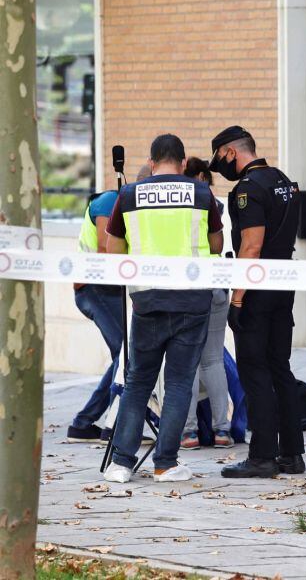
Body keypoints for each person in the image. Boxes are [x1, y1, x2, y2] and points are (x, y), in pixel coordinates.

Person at [102, 134, 224, 482]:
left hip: (148, 300)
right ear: (184, 163)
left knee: (138, 381)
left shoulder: (128, 195)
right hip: (193, 299)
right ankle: (165, 463)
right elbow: (217, 244)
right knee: (179, 383)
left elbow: (113, 250)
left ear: (152, 163)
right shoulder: (201, 193)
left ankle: (122, 463)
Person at [209, 126, 305, 478]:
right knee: (281, 367)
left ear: (231, 153)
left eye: (219, 157)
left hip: (258, 289)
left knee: (255, 371)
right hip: (285, 286)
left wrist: (237, 301)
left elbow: (251, 247)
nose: (218, 165)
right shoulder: (284, 181)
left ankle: (263, 456)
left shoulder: (248, 190)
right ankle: (292, 455)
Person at [179, 157, 233, 450]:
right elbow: (217, 246)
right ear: (201, 176)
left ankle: (188, 433)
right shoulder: (211, 203)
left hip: (187, 288)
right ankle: (222, 431)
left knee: (187, 363)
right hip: (214, 284)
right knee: (213, 361)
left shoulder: (176, 204)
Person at [65, 188, 123, 442]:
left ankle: (90, 423)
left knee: (126, 355)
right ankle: (101, 424)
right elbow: (104, 246)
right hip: (94, 287)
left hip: (107, 289)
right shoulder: (110, 200)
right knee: (127, 354)